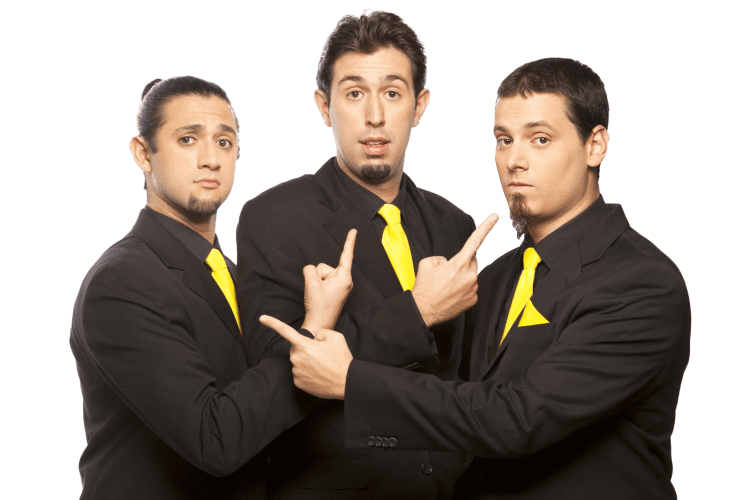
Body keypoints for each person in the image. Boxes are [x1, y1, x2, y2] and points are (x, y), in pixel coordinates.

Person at [263, 57, 692, 499]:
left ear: (595, 145)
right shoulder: (495, 277)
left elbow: (518, 419)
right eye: (504, 140)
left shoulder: (642, 283)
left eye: (540, 139)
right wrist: (321, 324)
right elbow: (453, 404)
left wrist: (351, 380)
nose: (514, 161)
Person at [236, 8, 487, 499]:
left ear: (420, 105)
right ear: (324, 105)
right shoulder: (273, 217)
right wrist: (418, 312)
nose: (375, 116)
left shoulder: (455, 225)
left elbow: (464, 381)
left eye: (393, 93)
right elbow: (275, 371)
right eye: (354, 94)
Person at [69, 75, 355, 499]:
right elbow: (215, 439)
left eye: (224, 142)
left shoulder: (237, 277)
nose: (211, 160)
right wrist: (311, 332)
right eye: (187, 139)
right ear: (143, 153)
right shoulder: (121, 283)